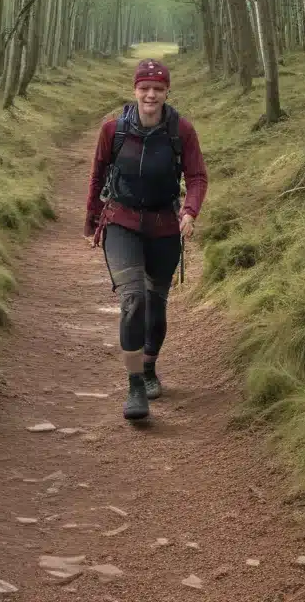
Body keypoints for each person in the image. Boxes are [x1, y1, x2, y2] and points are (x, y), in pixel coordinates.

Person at [84, 58, 208, 420]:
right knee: (133, 299)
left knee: (156, 305)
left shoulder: (180, 131)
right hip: (121, 220)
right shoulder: (114, 131)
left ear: (167, 92)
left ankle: (150, 366)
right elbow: (97, 176)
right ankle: (135, 384)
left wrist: (190, 211)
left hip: (164, 225)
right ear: (135, 90)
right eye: (145, 88)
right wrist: (91, 221)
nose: (151, 94)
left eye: (158, 88)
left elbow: (198, 176)